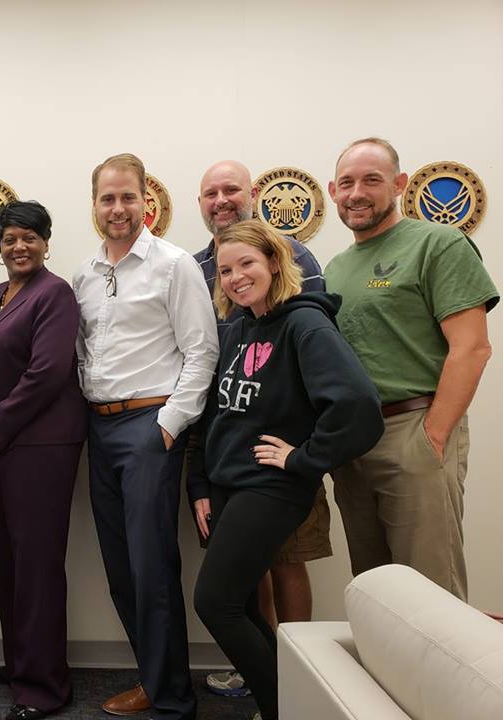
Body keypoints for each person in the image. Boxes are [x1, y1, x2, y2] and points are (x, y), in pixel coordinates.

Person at [189, 219, 384, 720]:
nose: (235, 277)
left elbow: (359, 406)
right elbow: (219, 414)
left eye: (247, 264)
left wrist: (302, 457)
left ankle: (284, 707)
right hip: (230, 484)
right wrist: (202, 484)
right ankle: (296, 700)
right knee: (247, 607)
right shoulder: (240, 329)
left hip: (272, 488)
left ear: (275, 263)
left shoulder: (305, 324)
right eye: (226, 269)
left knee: (215, 603)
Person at [73, 153, 218, 720]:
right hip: (99, 426)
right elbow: (84, 350)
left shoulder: (173, 264)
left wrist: (168, 424)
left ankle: (174, 701)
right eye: (107, 198)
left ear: (145, 202)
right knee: (119, 565)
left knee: (152, 566)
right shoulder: (85, 273)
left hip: (149, 425)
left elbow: (201, 350)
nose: (118, 208)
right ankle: (155, 680)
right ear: (94, 205)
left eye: (127, 197)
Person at [326, 137, 498, 600]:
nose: (357, 192)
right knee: (374, 590)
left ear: (400, 184)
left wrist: (433, 436)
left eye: (371, 180)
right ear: (332, 191)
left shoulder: (438, 244)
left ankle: (441, 677)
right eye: (347, 183)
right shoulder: (336, 269)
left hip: (414, 428)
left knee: (431, 591)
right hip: (354, 441)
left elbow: (472, 349)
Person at [192, 160, 329, 699]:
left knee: (285, 559)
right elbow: (213, 378)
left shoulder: (297, 272)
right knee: (243, 584)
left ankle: (298, 681)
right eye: (210, 193)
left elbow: (321, 365)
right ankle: (265, 673)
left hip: (279, 454)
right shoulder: (202, 270)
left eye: (231, 190)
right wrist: (200, 476)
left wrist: (303, 453)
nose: (221, 199)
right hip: (229, 452)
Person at [0, 201, 86, 720]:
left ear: (45, 242)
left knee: (36, 564)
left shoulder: (55, 293)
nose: (20, 246)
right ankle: (22, 662)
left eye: (30, 237)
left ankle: (44, 687)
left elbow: (47, 372)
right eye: (10, 238)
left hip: (41, 445)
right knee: (10, 559)